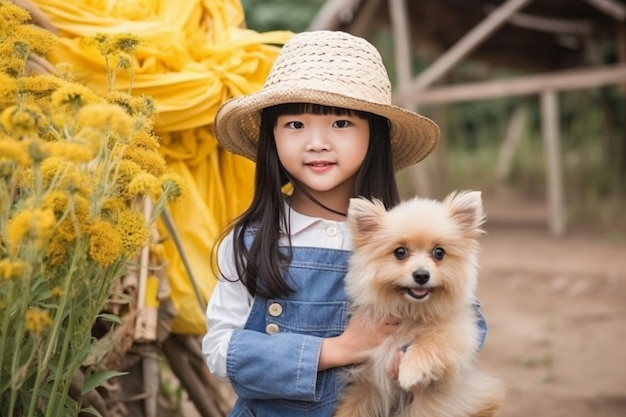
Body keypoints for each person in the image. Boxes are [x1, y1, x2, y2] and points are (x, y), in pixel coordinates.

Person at [202, 30, 484, 416]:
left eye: (340, 124)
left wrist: (418, 354)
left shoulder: (403, 232)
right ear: (272, 137)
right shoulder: (251, 240)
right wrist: (336, 349)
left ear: (375, 135)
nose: (317, 142)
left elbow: (468, 321)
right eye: (295, 125)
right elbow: (219, 349)